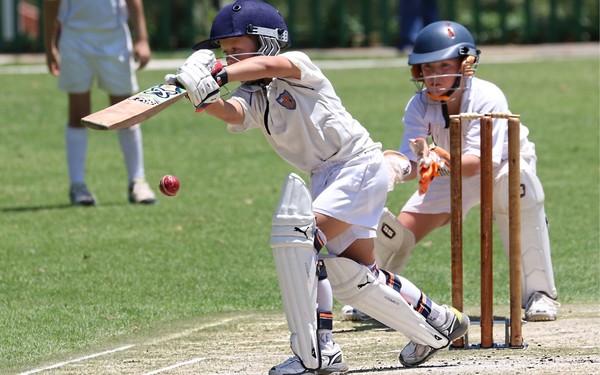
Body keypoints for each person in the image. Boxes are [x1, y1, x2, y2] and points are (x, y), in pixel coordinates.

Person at [166, 1, 469, 372]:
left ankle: (319, 349)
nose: (229, 58)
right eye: (224, 53)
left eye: (235, 50)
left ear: (266, 42)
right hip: (328, 176)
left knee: (301, 244)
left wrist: (217, 74)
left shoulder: (297, 65)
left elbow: (266, 66)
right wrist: (201, 96)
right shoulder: (254, 94)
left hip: (355, 165)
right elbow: (233, 113)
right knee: (355, 276)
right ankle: (438, 322)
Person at [375, 20, 560, 322]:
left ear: (466, 64)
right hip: (451, 170)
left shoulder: (487, 96)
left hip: (503, 166)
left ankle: (540, 295)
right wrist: (394, 166)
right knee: (395, 233)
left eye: (444, 66)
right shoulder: (419, 104)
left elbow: (479, 162)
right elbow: (414, 157)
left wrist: (431, 160)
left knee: (522, 194)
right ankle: (375, 294)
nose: (434, 77)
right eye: (428, 68)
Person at [43, 0, 156, 206]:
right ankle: (78, 186)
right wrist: (50, 44)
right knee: (78, 114)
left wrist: (142, 38)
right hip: (74, 37)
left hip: (114, 37)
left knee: (126, 113)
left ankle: (138, 181)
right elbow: (51, 3)